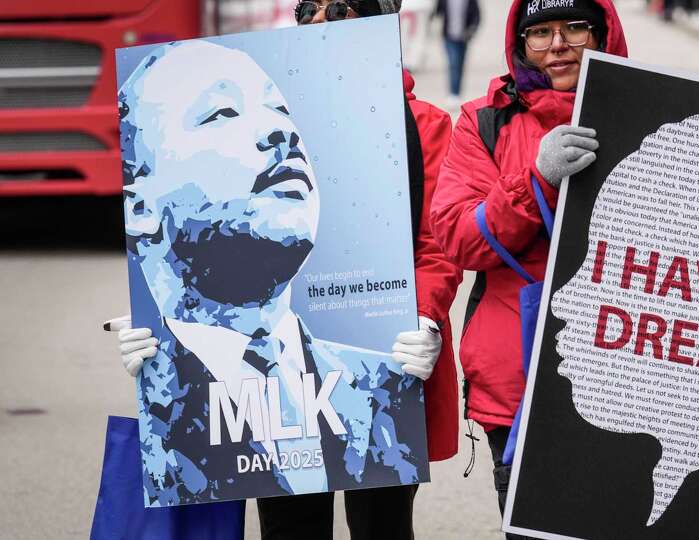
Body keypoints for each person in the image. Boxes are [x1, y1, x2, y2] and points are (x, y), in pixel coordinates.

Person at [107, 1, 462, 537]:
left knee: (383, 524)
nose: (320, 20)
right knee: (290, 525)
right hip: (259, 401)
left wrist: (425, 317)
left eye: (344, 7)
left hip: (393, 361)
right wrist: (154, 329)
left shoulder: (419, 123)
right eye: (307, 8)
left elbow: (436, 242)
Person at [429, 0, 627, 536]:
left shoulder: (653, 111)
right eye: (539, 32)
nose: (557, 44)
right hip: (522, 385)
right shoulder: (485, 121)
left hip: (636, 387)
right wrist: (535, 179)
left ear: (602, 31)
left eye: (574, 27)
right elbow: (457, 237)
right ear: (520, 43)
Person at [436, 0, 481, 108]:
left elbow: (477, 15)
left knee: (460, 65)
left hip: (463, 38)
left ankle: (457, 92)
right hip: (448, 37)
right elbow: (438, 11)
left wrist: (472, 30)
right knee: (453, 63)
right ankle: (453, 94)